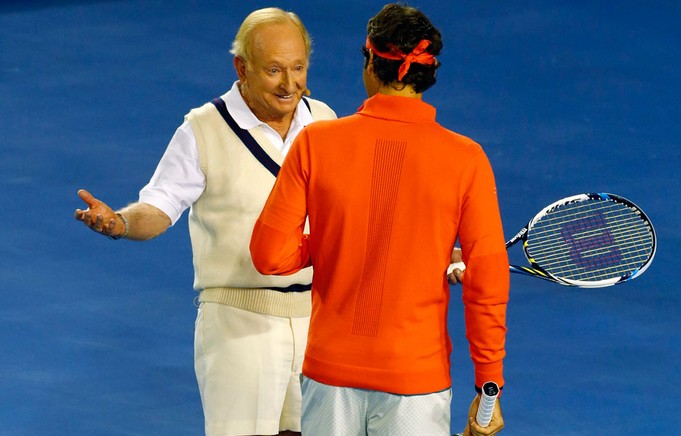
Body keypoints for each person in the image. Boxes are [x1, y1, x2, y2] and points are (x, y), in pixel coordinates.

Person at [73, 8, 336, 436]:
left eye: (298, 68)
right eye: (273, 70)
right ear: (242, 68)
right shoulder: (203, 128)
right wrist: (120, 222)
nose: (290, 85)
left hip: (320, 320)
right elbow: (158, 207)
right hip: (238, 323)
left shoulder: (325, 120)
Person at [249, 4, 510, 436]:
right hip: (416, 383)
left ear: (371, 62)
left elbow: (269, 255)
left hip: (329, 378)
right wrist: (489, 387)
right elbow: (488, 283)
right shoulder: (467, 159)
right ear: (429, 74)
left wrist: (340, 241)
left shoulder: (316, 142)